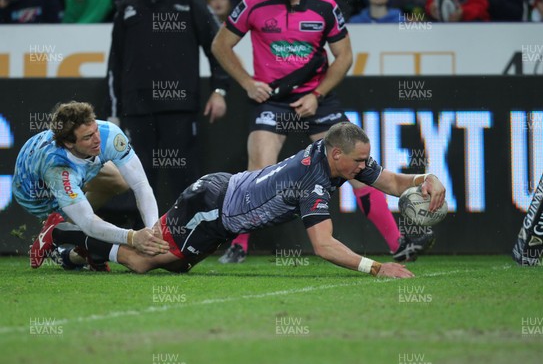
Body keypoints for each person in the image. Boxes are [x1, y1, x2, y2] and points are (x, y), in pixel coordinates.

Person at [38, 122, 447, 278]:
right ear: (337, 154)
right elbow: (323, 246)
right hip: (210, 205)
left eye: (365, 161)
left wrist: (427, 177)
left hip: (224, 212)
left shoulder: (342, 159)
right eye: (359, 162)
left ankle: (77, 256)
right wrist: (377, 269)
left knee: (176, 267)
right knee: (145, 260)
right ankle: (61, 235)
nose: (364, 169)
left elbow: (392, 182)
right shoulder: (314, 179)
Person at [212, 0, 419, 264]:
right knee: (258, 172)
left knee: (358, 166)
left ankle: (399, 244)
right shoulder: (254, 3)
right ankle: (239, 246)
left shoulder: (326, 6)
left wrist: (317, 94)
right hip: (273, 99)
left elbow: (345, 56)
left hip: (316, 99)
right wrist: (246, 82)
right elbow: (220, 45)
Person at [107, 0, 231, 213]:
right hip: (137, 109)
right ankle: (139, 242)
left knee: (184, 178)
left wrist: (220, 89)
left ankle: (189, 241)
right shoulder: (127, 5)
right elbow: (115, 64)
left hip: (180, 108)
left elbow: (218, 46)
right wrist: (113, 112)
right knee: (136, 181)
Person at [12, 101, 169, 270]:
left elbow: (141, 185)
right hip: (35, 195)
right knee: (90, 224)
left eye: (95, 130)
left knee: (119, 181)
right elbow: (87, 221)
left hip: (76, 171)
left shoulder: (108, 133)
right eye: (87, 137)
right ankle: (58, 229)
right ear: (69, 143)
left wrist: (153, 231)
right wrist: (132, 237)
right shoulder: (56, 168)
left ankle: (74, 252)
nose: (97, 140)